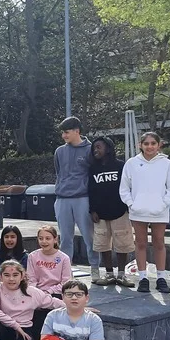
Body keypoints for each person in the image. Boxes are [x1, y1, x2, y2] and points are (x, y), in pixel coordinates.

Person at [119, 131, 170, 294]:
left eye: (153, 143)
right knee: (140, 243)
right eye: (146, 143)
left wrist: (163, 204)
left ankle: (161, 278)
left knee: (159, 242)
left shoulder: (167, 164)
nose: (150, 147)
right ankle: (143, 278)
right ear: (140, 145)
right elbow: (124, 188)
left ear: (159, 145)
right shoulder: (131, 163)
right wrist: (132, 204)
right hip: (138, 211)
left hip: (159, 211)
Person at [0, 260, 64, 340]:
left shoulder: (32, 291)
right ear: (1, 277)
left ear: (22, 276)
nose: (11, 279)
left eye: (15, 275)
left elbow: (52, 302)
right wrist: (14, 325)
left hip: (23, 329)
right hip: (2, 327)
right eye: (7, 275)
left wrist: (76, 307)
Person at [54, 116, 99, 278]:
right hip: (62, 198)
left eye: (67, 132)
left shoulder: (90, 149)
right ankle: (65, 271)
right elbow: (58, 172)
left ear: (77, 131)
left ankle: (95, 268)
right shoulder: (59, 151)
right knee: (65, 238)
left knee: (89, 236)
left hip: (82, 198)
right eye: (62, 133)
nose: (64, 136)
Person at [88, 136, 136, 287]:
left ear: (108, 148)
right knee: (103, 244)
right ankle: (109, 274)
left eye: (99, 147)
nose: (95, 150)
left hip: (120, 211)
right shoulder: (93, 168)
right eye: (94, 148)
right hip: (100, 214)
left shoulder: (121, 166)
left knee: (123, 243)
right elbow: (91, 190)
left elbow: (129, 187)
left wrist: (128, 206)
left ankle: (121, 275)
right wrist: (92, 210)